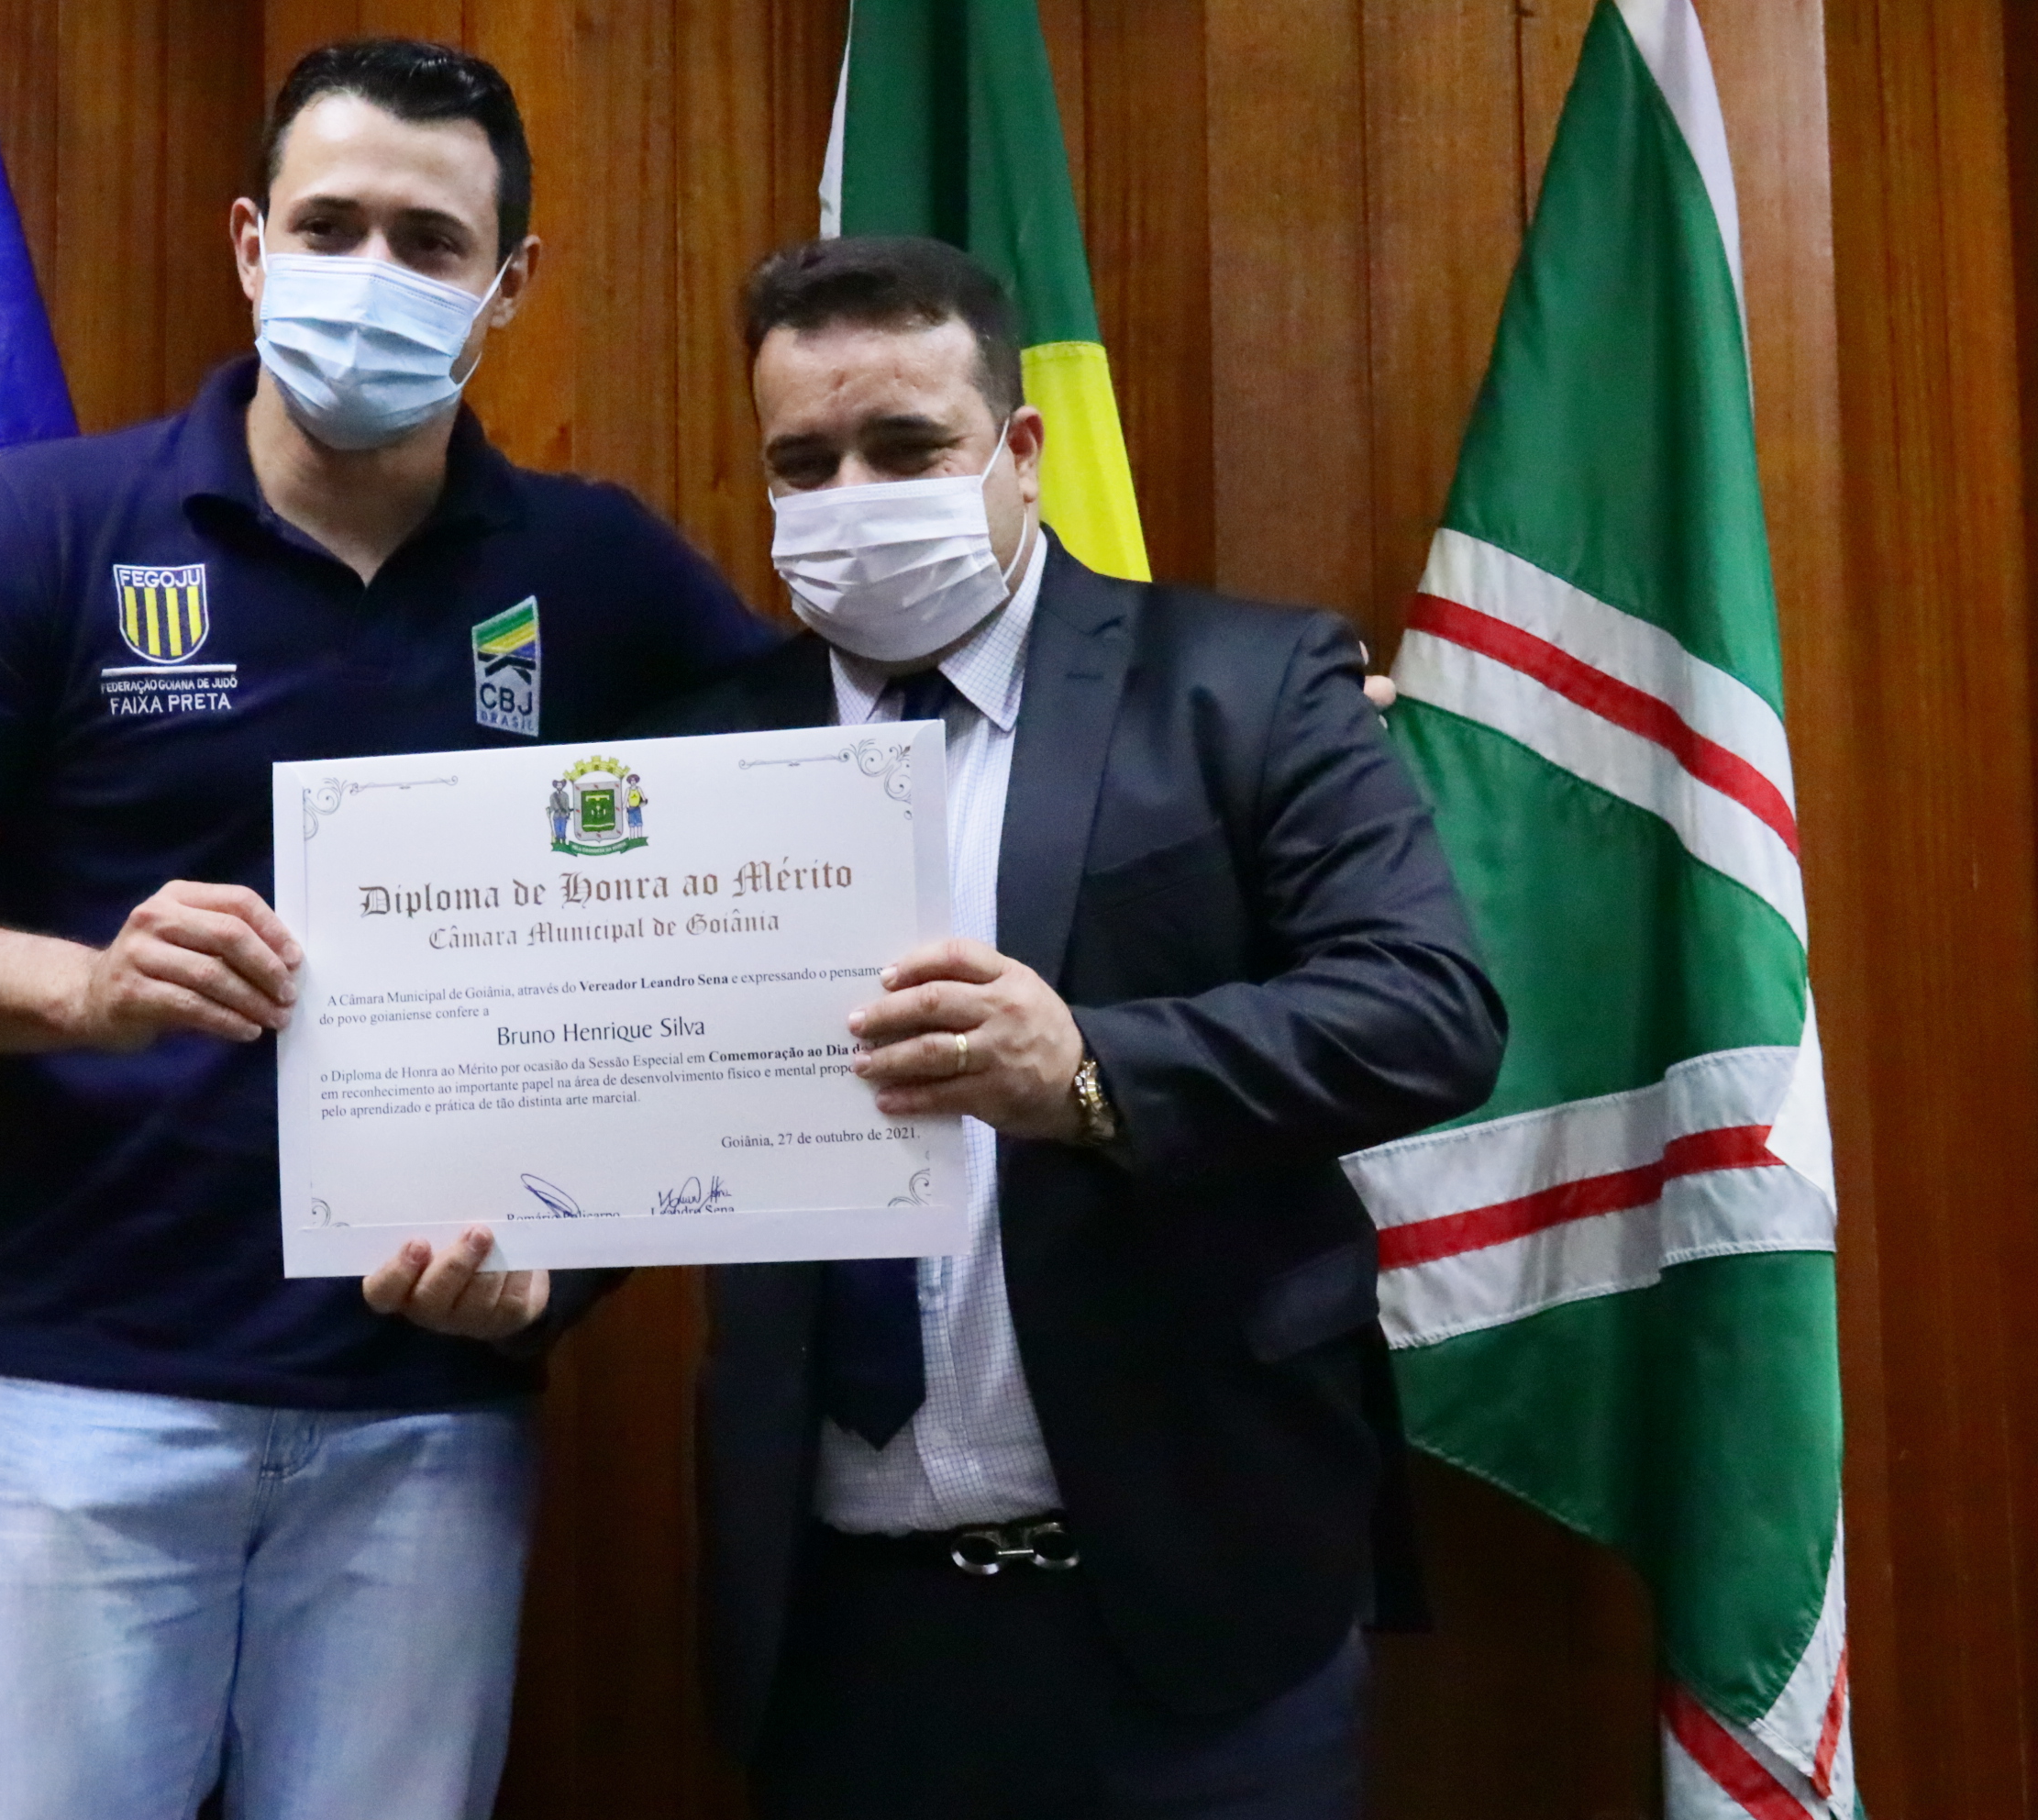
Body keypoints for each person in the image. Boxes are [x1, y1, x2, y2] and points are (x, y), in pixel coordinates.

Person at [0, 39, 773, 1820]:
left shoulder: (599, 566)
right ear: (251, 245)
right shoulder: (59, 524)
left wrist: (568, 1267)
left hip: (429, 1418)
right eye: (329, 226)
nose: (372, 274)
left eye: (430, 241)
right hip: (87, 1399)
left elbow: (788, 873)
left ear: (508, 283)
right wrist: (85, 985)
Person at [635, 236, 1507, 1818]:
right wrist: (514, 1272)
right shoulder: (702, 756)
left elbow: (1427, 1009)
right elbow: (638, 1109)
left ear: (1021, 450)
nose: (852, 496)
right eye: (805, 464)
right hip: (844, 1639)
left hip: (1192, 1611)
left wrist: (1091, 1071)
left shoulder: (1244, 683)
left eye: (908, 447)